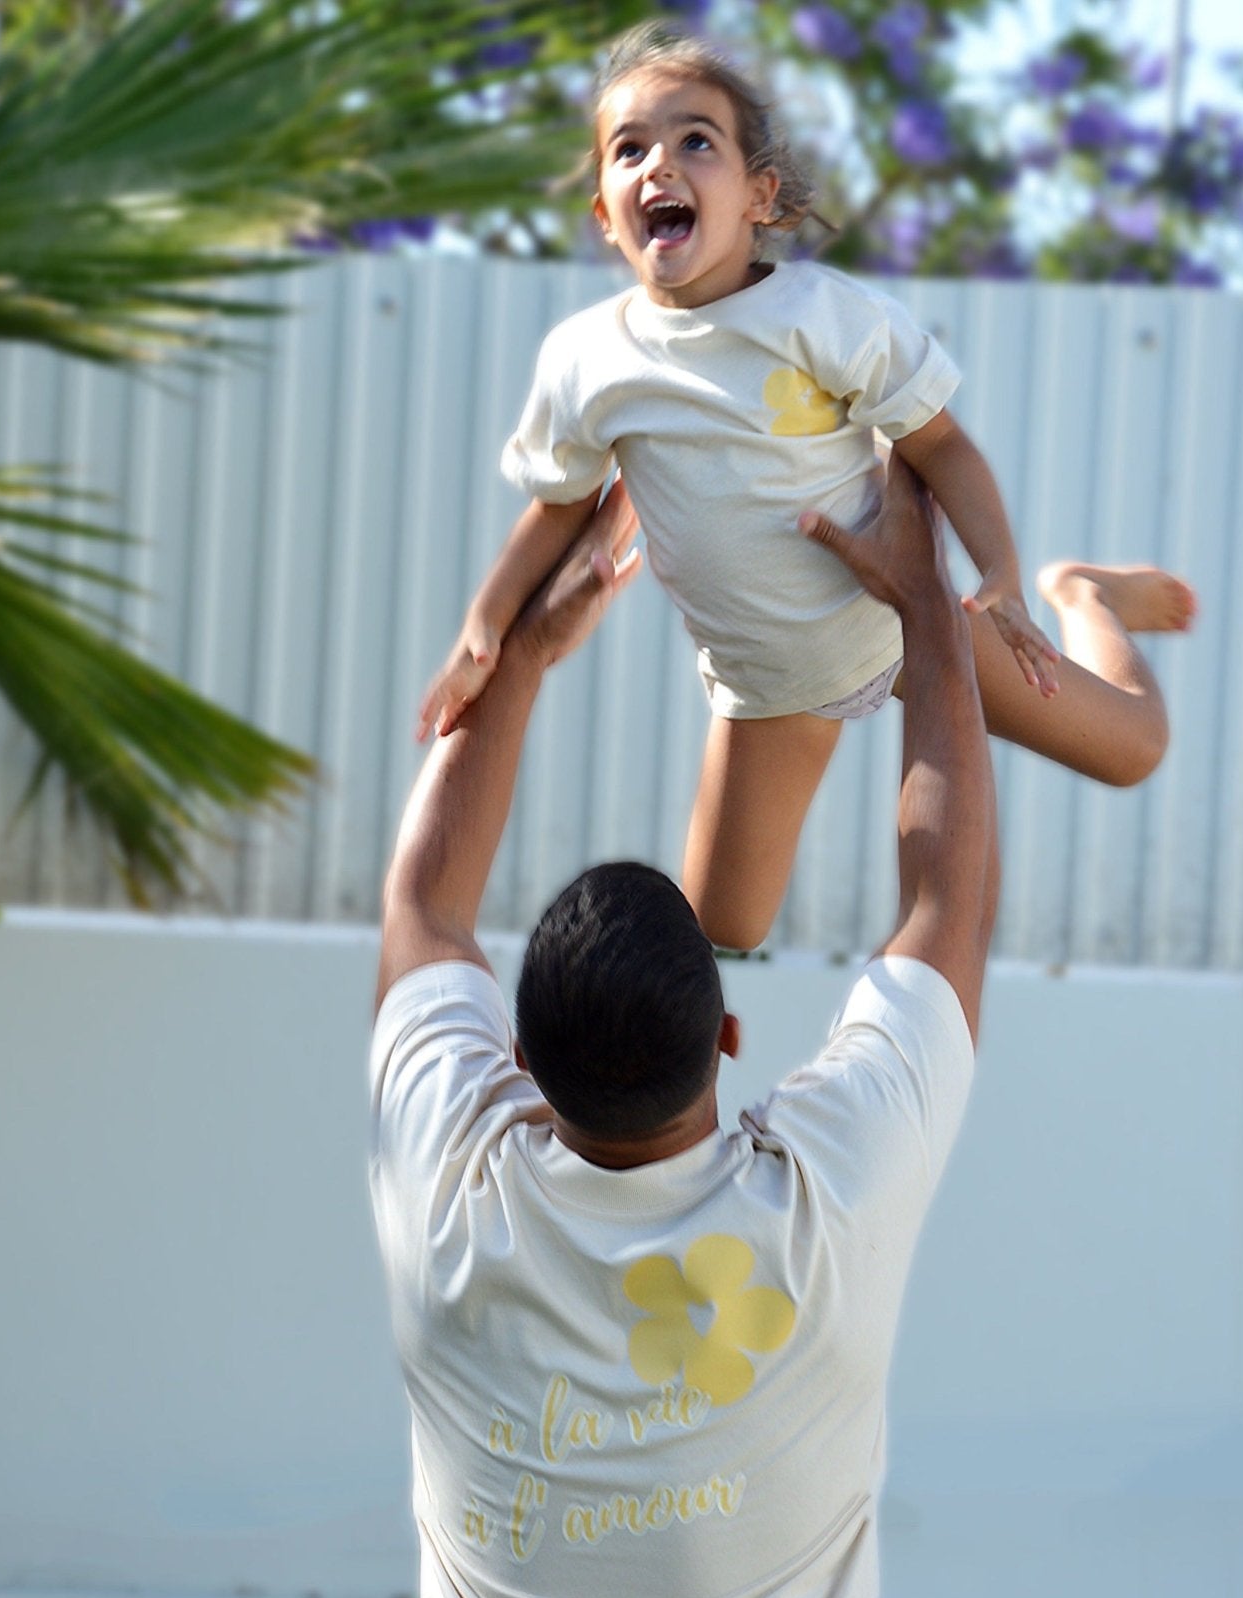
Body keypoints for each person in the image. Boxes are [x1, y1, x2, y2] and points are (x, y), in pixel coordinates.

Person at [370, 453, 1000, 1598]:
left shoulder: (452, 1190)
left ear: (515, 1058)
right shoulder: (827, 1201)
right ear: (727, 1036)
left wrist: (521, 649)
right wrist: (926, 607)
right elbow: (943, 904)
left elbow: (421, 910)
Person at [414, 20, 1196, 950]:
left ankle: (1088, 594)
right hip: (766, 684)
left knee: (1134, 751)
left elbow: (942, 447)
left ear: (757, 194)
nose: (658, 163)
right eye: (630, 149)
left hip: (898, 620)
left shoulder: (822, 318)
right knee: (719, 928)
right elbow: (559, 508)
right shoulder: (587, 360)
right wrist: (484, 625)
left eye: (694, 141)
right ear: (603, 213)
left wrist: (1006, 578)